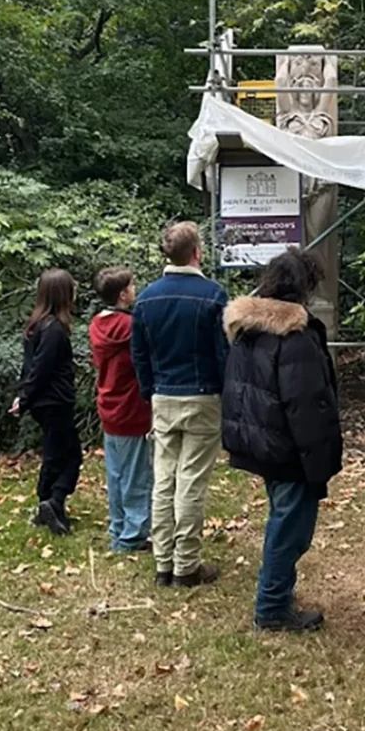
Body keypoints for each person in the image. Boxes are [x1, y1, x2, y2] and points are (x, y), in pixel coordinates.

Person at [222, 249, 342, 633]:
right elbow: (306, 404)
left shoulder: (248, 329)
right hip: (289, 448)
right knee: (290, 527)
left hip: (264, 441)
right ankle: (272, 607)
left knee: (283, 518)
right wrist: (318, 460)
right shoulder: (295, 336)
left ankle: (279, 594)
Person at [132, 222, 228, 589]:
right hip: (202, 396)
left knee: (163, 479)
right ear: (197, 252)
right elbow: (223, 354)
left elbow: (139, 354)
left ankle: (163, 563)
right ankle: (186, 565)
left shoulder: (146, 298)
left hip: (163, 396)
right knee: (191, 481)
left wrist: (149, 391)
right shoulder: (213, 295)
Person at [11, 269, 81, 536]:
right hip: (54, 401)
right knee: (68, 455)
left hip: (43, 400)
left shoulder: (37, 325)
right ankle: (52, 501)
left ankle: (48, 504)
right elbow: (41, 368)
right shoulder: (54, 329)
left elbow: (28, 367)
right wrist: (25, 397)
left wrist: (23, 395)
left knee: (59, 451)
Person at [90, 266, 152, 553]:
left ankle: (118, 527)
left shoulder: (96, 325)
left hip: (108, 405)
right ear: (124, 294)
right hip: (131, 408)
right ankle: (133, 535)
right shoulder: (130, 326)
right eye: (132, 285)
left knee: (115, 473)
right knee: (137, 475)